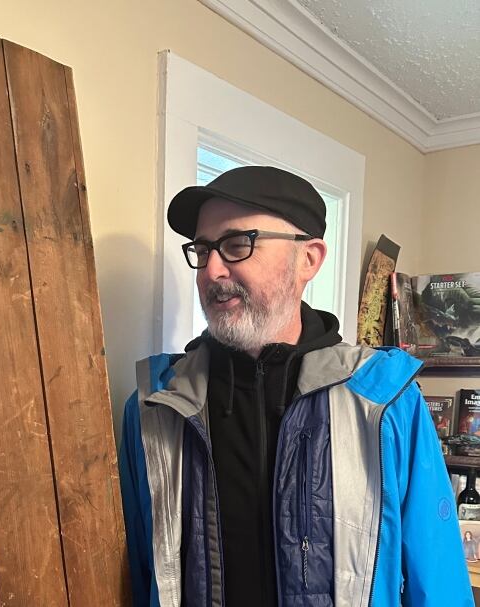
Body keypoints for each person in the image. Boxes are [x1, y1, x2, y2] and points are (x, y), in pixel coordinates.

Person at [118, 166, 472, 606]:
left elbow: (437, 583)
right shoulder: (155, 409)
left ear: (309, 259)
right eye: (203, 248)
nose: (211, 269)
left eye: (235, 244)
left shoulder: (384, 402)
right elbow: (137, 571)